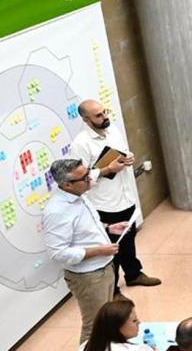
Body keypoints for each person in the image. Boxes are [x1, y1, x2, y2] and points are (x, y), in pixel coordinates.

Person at [68, 99, 161, 288]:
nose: (105, 117)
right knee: (112, 247)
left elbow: (123, 151)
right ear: (86, 120)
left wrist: (129, 156)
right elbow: (81, 177)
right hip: (106, 203)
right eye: (98, 115)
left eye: (104, 112)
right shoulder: (81, 144)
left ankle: (134, 274)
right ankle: (113, 288)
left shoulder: (113, 130)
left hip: (126, 196)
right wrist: (107, 169)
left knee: (129, 239)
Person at [43, 158, 124, 344]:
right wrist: (98, 251)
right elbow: (58, 253)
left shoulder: (80, 195)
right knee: (94, 326)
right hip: (88, 277)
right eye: (85, 177)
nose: (91, 179)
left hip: (105, 267)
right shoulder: (56, 212)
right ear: (67, 184)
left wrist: (109, 228)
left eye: (88, 173)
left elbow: (85, 227)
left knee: (108, 319)